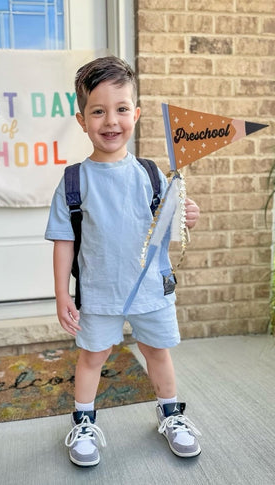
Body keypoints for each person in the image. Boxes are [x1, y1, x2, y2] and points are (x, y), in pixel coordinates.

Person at [44, 56, 201, 467]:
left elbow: (169, 230)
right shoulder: (75, 181)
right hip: (99, 292)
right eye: (98, 111)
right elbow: (63, 240)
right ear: (82, 120)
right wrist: (63, 293)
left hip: (150, 288)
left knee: (157, 352)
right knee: (92, 356)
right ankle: (83, 421)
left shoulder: (152, 175)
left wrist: (187, 216)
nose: (110, 120)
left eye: (121, 109)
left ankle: (171, 414)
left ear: (136, 113)